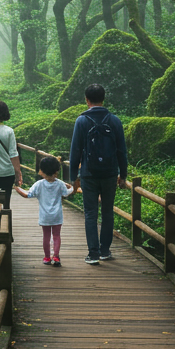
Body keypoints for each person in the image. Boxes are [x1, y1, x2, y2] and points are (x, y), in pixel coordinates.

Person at [68, 83, 127, 265]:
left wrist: (73, 177)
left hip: (88, 174)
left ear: (86, 100)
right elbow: (121, 151)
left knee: (90, 213)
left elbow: (75, 150)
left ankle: (93, 254)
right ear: (103, 98)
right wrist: (123, 175)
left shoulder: (81, 121)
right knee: (108, 212)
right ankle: (105, 251)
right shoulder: (114, 120)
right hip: (110, 174)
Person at [14, 155, 75, 266]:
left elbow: (27, 194)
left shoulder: (39, 184)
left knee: (46, 237)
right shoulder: (60, 183)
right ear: (56, 171)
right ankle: (56, 257)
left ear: (42, 170)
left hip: (45, 216)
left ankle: (47, 257)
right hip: (57, 216)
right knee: (56, 236)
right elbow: (67, 192)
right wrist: (71, 187)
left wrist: (16, 188)